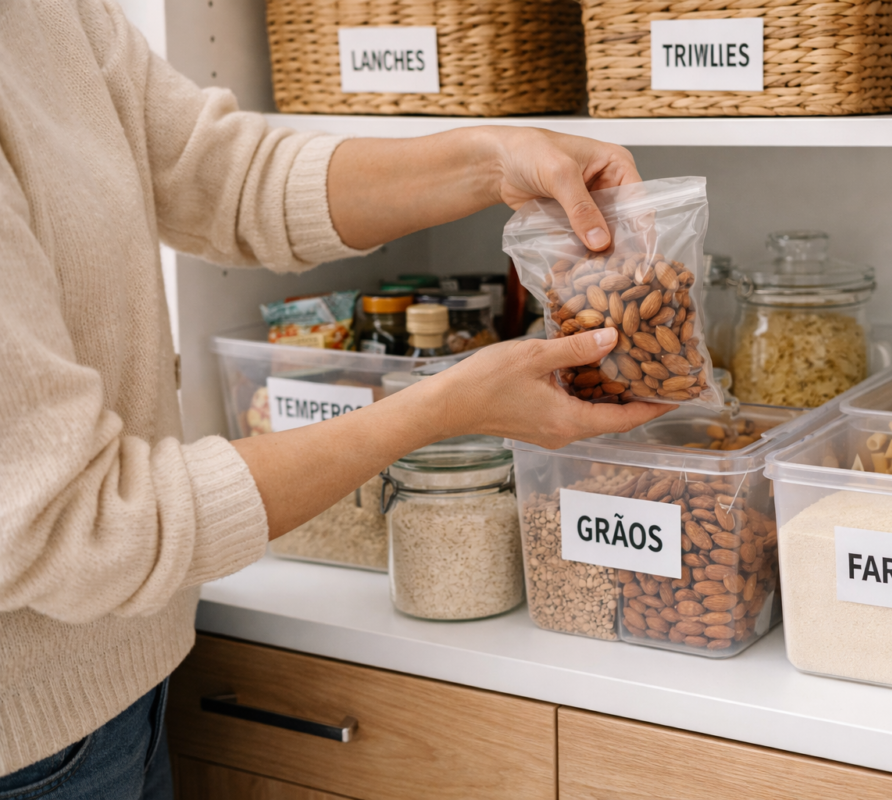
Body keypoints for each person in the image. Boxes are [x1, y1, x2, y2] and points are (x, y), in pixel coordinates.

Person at [0, 1, 673, 796]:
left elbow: (219, 171)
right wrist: (440, 409)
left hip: (134, 679)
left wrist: (491, 159)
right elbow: (74, 525)